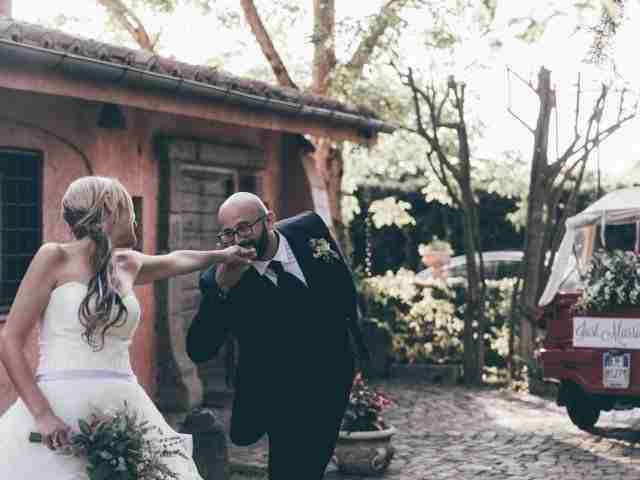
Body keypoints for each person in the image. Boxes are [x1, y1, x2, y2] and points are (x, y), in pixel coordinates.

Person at [0, 176, 255, 478]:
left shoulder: (127, 263)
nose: (135, 218)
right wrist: (42, 414)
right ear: (108, 209)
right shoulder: (54, 257)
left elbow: (178, 259)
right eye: (128, 209)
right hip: (60, 404)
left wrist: (224, 255)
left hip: (126, 403)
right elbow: (9, 338)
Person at [186, 192, 368, 480]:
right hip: (278, 393)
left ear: (269, 220)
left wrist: (352, 343)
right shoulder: (218, 279)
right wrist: (222, 290)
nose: (237, 240)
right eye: (228, 234)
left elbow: (342, 282)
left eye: (244, 228)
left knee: (312, 468)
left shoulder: (309, 227)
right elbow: (199, 349)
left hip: (332, 375)